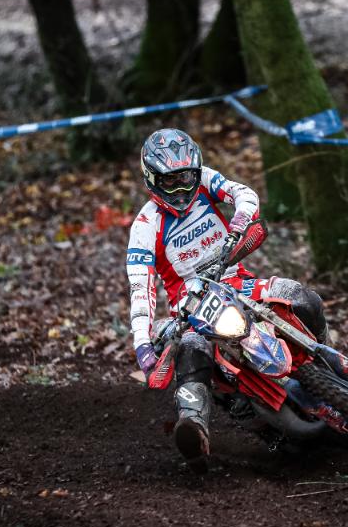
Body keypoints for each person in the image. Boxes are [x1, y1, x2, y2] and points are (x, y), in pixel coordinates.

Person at [126, 128, 329, 473]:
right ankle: (194, 427)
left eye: (185, 178)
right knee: (191, 349)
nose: (181, 188)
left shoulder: (205, 180)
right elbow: (140, 289)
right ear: (152, 180)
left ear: (195, 170)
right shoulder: (145, 225)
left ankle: (324, 356)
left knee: (301, 296)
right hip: (192, 309)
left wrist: (240, 219)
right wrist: (142, 343)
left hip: (238, 282)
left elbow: (244, 193)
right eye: (170, 182)